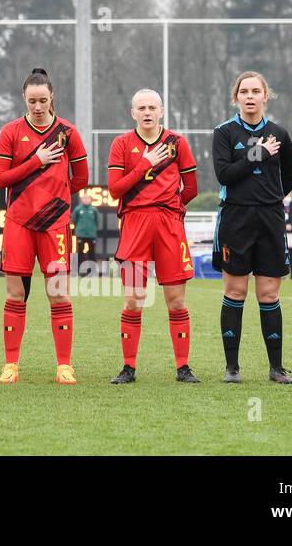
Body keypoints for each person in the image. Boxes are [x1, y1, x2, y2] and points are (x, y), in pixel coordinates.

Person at [0, 67, 89, 385]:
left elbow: (82, 179)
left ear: (52, 98)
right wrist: (37, 161)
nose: (37, 106)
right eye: (32, 100)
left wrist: (57, 197)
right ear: (24, 98)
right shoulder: (10, 132)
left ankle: (64, 366)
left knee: (58, 295)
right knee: (15, 295)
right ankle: (11, 365)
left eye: (42, 100)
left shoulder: (69, 133)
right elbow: (1, 179)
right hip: (19, 224)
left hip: (55, 225)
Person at [107, 88, 200, 385]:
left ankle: (183, 367)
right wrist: (145, 164)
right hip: (135, 224)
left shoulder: (177, 143)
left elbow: (192, 187)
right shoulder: (121, 144)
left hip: (169, 224)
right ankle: (128, 367)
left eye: (152, 107)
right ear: (132, 113)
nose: (147, 112)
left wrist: (173, 209)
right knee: (134, 299)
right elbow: (115, 189)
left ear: (161, 110)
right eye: (141, 108)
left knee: (176, 301)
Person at [211, 71, 292, 385]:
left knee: (268, 293)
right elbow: (225, 174)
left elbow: (290, 177)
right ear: (236, 97)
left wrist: (269, 196)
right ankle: (232, 368)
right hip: (235, 220)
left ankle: (276, 368)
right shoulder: (224, 132)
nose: (250, 96)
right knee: (235, 291)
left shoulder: (280, 133)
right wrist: (257, 153)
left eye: (256, 91)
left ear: (266, 96)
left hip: (271, 220)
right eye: (244, 91)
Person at [72, 193, 99, 274]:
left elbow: (97, 221)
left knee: (92, 254)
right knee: (80, 253)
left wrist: (92, 229)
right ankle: (78, 271)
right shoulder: (78, 209)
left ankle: (92, 271)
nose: (86, 200)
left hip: (91, 235)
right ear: (82, 199)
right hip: (81, 234)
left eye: (87, 198)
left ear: (90, 200)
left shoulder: (94, 210)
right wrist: (79, 229)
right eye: (84, 198)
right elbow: (74, 220)